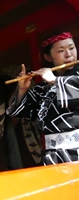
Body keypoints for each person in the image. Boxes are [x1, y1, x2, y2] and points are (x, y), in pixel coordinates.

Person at [6, 31, 79, 165]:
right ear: (48, 57)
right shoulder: (42, 88)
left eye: (72, 48)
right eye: (61, 50)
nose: (69, 54)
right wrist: (22, 89)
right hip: (53, 154)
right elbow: (25, 113)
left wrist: (55, 81)